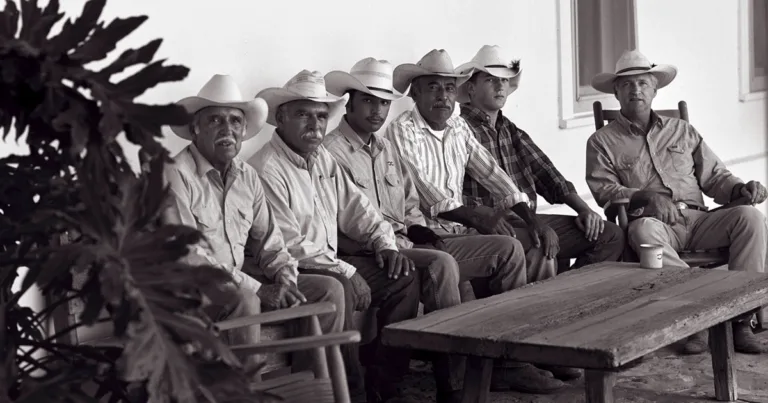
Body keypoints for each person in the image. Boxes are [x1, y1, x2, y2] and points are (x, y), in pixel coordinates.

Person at [324, 57, 563, 398]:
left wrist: (420, 231)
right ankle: (454, 383)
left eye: (383, 102)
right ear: (349, 103)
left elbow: (410, 203)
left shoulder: (385, 147)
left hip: (416, 239)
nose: (377, 110)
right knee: (442, 265)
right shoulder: (335, 152)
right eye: (368, 101)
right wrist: (452, 224)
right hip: (375, 250)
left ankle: (509, 360)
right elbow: (344, 219)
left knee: (509, 249)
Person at [386, 50, 571, 394]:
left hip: (462, 232)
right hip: (426, 237)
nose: (443, 96)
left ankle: (524, 350)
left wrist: (529, 217)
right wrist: (474, 215)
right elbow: (425, 192)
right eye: (433, 87)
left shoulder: (457, 127)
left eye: (448, 88)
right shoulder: (402, 131)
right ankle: (507, 363)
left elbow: (491, 172)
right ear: (415, 93)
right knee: (508, 250)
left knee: (526, 246)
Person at [248, 70, 425, 403]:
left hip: (328, 262)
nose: (315, 124)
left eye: (320, 116)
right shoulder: (267, 168)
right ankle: (351, 392)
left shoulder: (321, 158)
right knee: (337, 287)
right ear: (281, 119)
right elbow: (288, 244)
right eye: (303, 114)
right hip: (287, 268)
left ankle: (385, 385)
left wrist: (384, 243)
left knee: (402, 275)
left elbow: (357, 208)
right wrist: (346, 270)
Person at [586, 49, 768, 355]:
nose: (636, 90)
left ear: (655, 89)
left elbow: (715, 177)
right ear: (616, 92)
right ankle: (698, 316)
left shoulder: (682, 130)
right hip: (655, 225)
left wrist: (741, 188)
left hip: (700, 221)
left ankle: (740, 321)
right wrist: (645, 196)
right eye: (627, 84)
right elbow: (604, 191)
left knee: (750, 218)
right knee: (642, 231)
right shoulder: (602, 141)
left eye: (643, 83)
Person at [161, 74, 346, 372]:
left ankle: (310, 384)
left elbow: (270, 242)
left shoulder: (246, 175)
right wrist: (258, 289)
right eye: (215, 120)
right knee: (245, 299)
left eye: (235, 121)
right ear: (195, 128)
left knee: (328, 290)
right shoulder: (173, 174)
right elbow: (188, 257)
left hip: (236, 284)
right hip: (188, 293)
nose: (227, 129)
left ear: (244, 130)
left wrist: (285, 279)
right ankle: (248, 390)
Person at [456, 45, 624, 272]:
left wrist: (584, 209)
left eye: (504, 80)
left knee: (610, 234)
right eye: (490, 80)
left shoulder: (510, 130)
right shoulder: (459, 132)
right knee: (541, 244)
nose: (500, 86)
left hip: (528, 220)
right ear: (471, 88)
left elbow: (547, 173)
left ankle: (570, 288)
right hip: (490, 227)